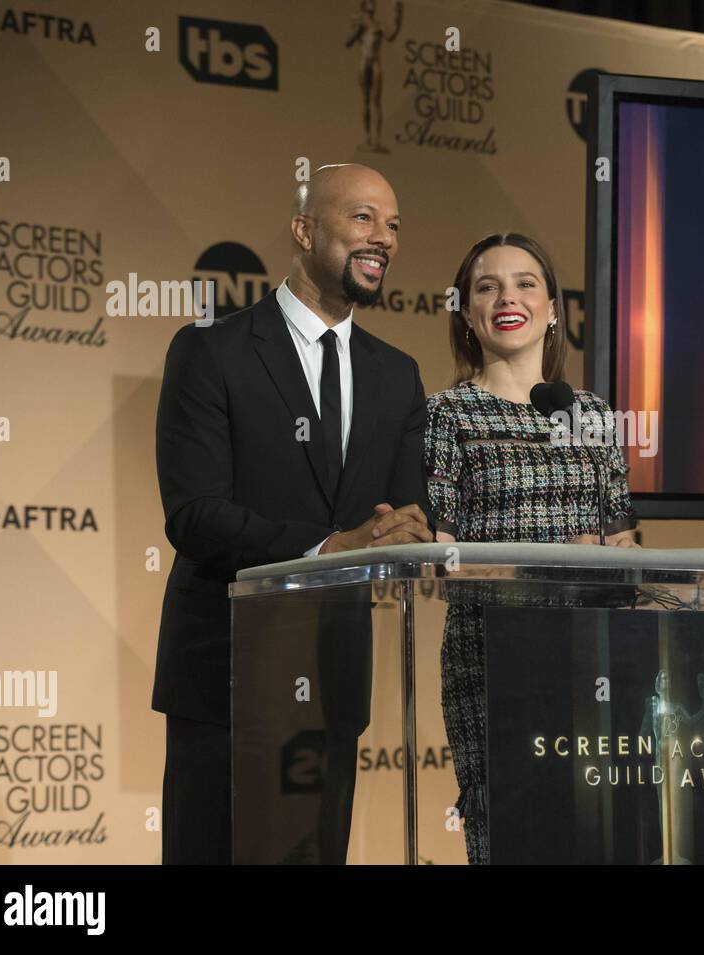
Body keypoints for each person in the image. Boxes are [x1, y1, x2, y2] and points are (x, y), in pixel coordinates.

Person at [153, 163, 432, 864]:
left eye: (394, 224)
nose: (384, 238)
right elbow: (195, 513)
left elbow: (403, 518)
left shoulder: (396, 375)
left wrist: (408, 533)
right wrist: (328, 546)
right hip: (224, 672)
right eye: (364, 217)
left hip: (332, 678)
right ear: (305, 230)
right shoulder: (211, 350)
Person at [424, 232, 638, 864]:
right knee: (507, 838)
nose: (506, 297)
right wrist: (546, 561)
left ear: (552, 309)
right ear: (466, 312)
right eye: (486, 286)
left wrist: (600, 555)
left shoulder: (594, 416)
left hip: (593, 659)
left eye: (525, 283)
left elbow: (625, 552)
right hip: (492, 660)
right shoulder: (446, 416)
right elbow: (444, 558)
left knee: (598, 837)